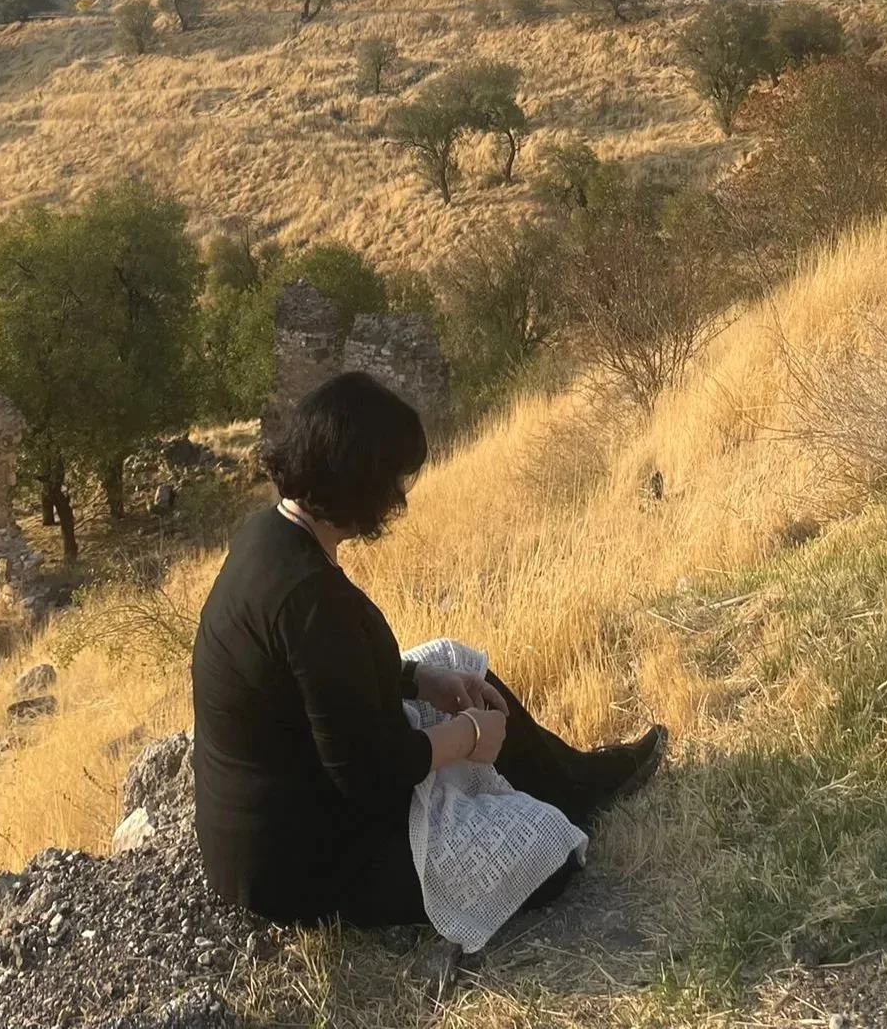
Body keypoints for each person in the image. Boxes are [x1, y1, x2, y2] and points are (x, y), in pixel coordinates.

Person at [191, 371, 665, 934]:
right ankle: (552, 804)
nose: (399, 497)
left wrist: (418, 679)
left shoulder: (268, 535)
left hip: (280, 815)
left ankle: (575, 778)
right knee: (551, 855)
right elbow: (368, 774)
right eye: (394, 480)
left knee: (454, 663)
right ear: (363, 483)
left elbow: (319, 681)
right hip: (300, 863)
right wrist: (467, 736)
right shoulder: (311, 598)